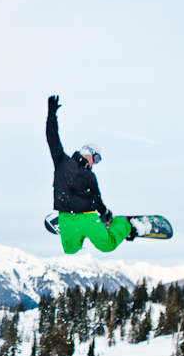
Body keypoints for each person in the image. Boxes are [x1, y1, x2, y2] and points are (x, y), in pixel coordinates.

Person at [46, 95, 135, 254]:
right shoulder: (62, 161)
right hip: (65, 216)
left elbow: (97, 198)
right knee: (70, 250)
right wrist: (51, 116)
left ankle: (124, 224)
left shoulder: (89, 176)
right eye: (97, 158)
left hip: (87, 217)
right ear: (89, 153)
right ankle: (81, 234)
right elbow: (52, 139)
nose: (96, 163)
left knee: (107, 246)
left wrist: (105, 214)